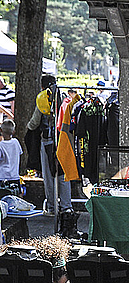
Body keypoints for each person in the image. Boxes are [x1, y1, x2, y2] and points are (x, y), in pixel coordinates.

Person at [27, 74, 72, 215]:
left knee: (49, 175)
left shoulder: (43, 98)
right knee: (63, 174)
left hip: (47, 141)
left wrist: (27, 129)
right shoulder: (64, 97)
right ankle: (66, 206)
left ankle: (52, 207)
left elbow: (34, 122)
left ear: (42, 85)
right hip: (64, 141)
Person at [0, 119, 23, 196]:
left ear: (1, 130)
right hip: (15, 176)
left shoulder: (1, 145)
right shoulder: (16, 142)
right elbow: (20, 153)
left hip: (2, 177)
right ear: (13, 131)